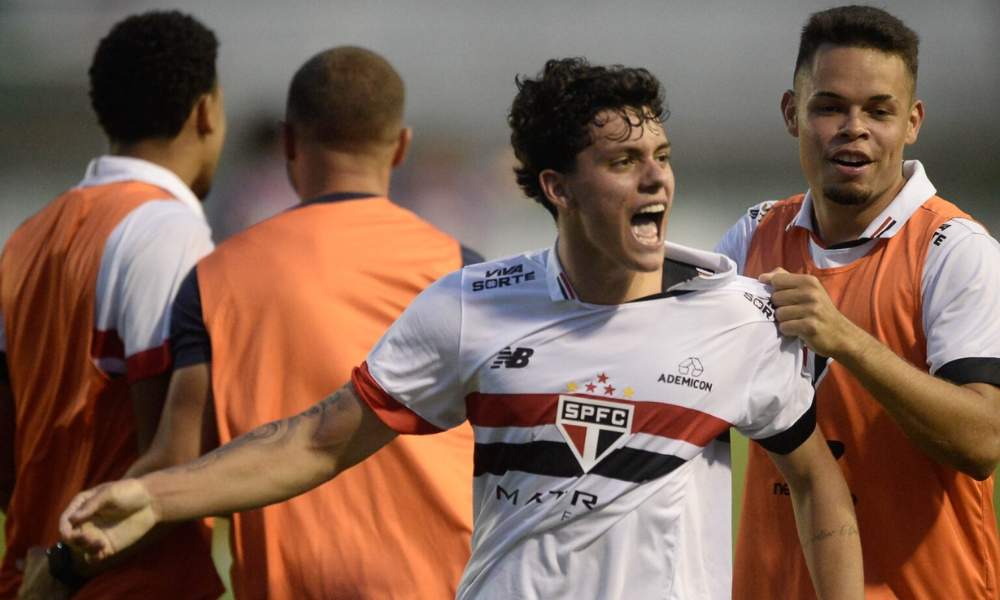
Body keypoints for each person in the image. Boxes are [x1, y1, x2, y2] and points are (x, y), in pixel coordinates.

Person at [60, 58, 864, 600]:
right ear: (559, 188)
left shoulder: (745, 318)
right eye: (623, 161)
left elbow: (817, 482)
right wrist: (153, 494)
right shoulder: (470, 304)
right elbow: (314, 441)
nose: (656, 175)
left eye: (660, 154)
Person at [128, 46, 479, 600]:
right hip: (448, 586)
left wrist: (65, 555)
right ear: (402, 146)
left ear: (287, 141)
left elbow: (176, 464)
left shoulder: (214, 279)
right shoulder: (468, 274)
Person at [715, 6, 1000, 600]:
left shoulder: (955, 249)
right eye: (829, 107)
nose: (854, 127)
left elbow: (982, 443)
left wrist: (844, 338)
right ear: (792, 114)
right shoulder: (752, 235)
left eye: (879, 110)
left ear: (912, 122)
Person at [0, 10, 226, 600]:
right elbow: (175, 462)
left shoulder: (26, 238)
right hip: (127, 581)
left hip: (31, 578)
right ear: (206, 111)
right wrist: (67, 562)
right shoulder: (167, 229)